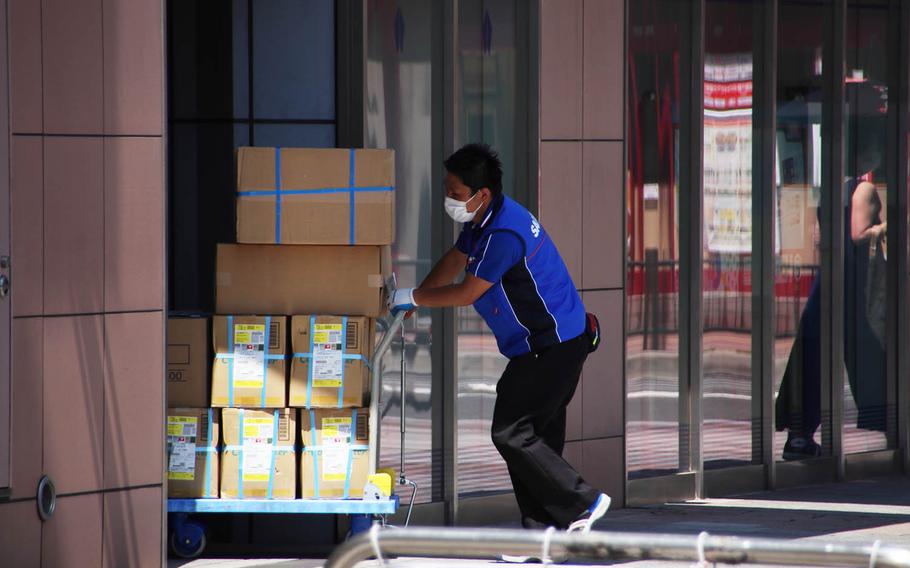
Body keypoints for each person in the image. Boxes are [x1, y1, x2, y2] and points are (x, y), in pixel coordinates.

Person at [387, 143, 610, 536]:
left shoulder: (503, 233)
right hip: (548, 344)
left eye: (455, 193)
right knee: (535, 442)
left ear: (482, 193)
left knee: (511, 432)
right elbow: (455, 260)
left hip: (553, 346)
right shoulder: (483, 222)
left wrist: (415, 297)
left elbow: (467, 291)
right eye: (447, 190)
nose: (449, 200)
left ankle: (583, 500)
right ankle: (542, 534)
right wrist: (417, 296)